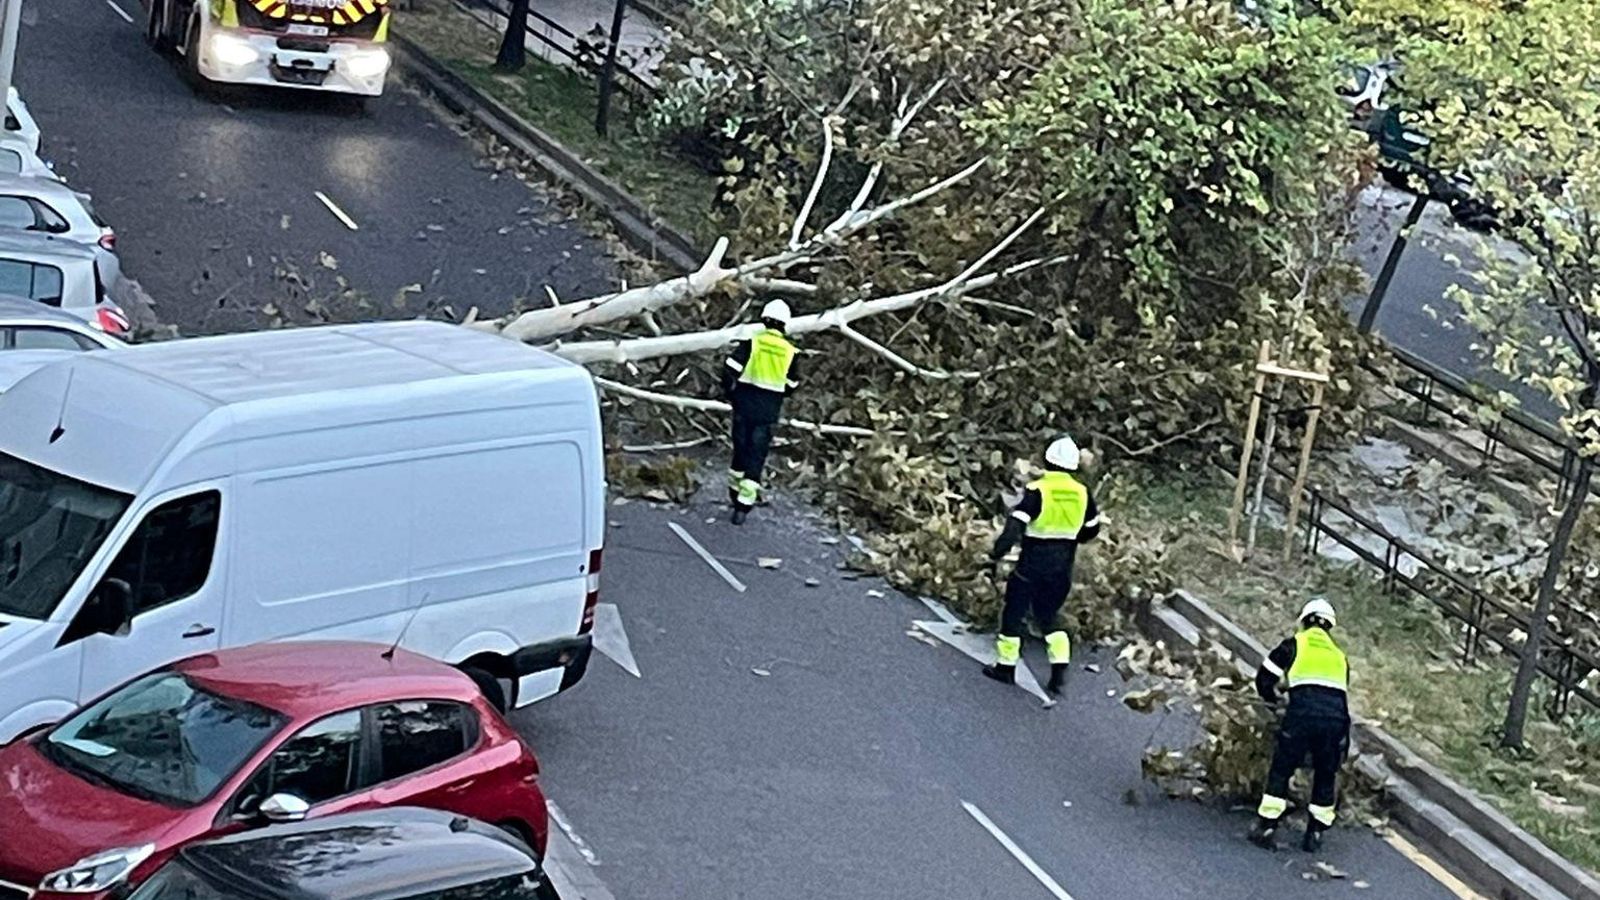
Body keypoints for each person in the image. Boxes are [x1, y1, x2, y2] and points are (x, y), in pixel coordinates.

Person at [982, 435, 1101, 695]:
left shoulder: (1038, 490)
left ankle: (1005, 668)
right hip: (1062, 567)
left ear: (1047, 461)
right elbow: (1092, 529)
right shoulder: (1083, 493)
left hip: (1032, 564)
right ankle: (1058, 672)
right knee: (1048, 616)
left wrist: (997, 552)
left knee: (1014, 612)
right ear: (1073, 466)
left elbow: (1016, 524)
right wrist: (1072, 536)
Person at [1249, 597, 1352, 853]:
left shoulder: (1292, 645)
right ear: (1329, 626)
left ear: (1303, 621)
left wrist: (1273, 701)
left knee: (1283, 767)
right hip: (1335, 722)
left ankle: (1268, 825)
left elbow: (1264, 679)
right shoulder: (1340, 657)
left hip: (1301, 717)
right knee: (1326, 772)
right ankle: (1315, 832)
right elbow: (1335, 692)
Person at [722, 299, 800, 525]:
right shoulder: (790, 352)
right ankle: (744, 506)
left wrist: (731, 393)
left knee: (740, 448)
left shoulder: (751, 343)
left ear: (764, 319)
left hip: (744, 404)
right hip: (768, 410)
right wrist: (777, 395)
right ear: (785, 324)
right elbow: (792, 385)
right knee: (757, 454)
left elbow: (729, 370)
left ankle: (734, 491)